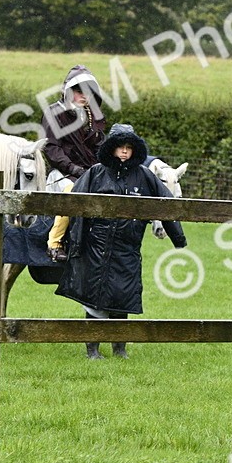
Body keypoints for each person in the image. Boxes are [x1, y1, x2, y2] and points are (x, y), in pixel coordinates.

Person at [49, 123, 188, 359]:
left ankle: (119, 348)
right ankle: (91, 349)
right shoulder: (95, 173)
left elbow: (167, 205)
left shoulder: (145, 177)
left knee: (122, 297)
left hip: (127, 250)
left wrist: (178, 239)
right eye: (120, 147)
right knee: (93, 300)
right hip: (95, 247)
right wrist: (61, 241)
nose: (124, 152)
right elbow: (71, 204)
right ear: (111, 148)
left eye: (129, 147)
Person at [41, 65, 107, 192]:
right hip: (63, 175)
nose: (85, 96)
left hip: (91, 173)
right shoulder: (54, 113)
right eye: (80, 92)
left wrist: (103, 167)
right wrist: (74, 169)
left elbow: (100, 146)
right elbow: (52, 148)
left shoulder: (93, 115)